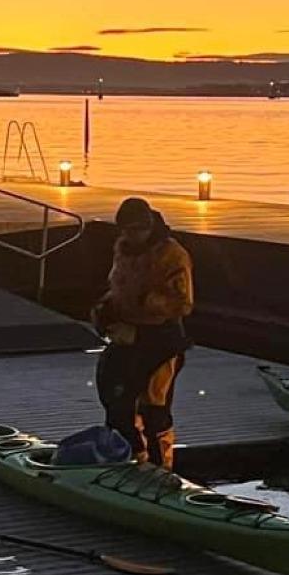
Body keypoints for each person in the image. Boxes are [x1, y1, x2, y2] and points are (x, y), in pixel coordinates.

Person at [92, 197, 194, 470]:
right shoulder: (123, 249)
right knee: (115, 396)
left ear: (149, 227)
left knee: (154, 406)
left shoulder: (172, 254)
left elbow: (182, 303)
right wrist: (106, 307)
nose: (132, 235)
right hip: (127, 334)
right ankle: (131, 455)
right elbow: (118, 283)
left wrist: (145, 302)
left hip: (161, 338)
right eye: (126, 230)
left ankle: (162, 467)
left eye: (137, 230)